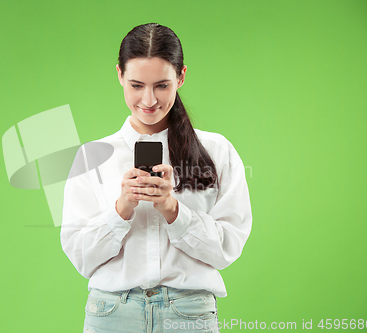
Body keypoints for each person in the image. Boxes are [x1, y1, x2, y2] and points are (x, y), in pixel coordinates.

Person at [61, 23, 252, 333]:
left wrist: (172, 210)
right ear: (120, 76)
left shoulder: (216, 151)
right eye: (136, 85)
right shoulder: (91, 157)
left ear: (181, 76)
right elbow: (81, 257)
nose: (148, 100)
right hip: (111, 313)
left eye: (162, 85)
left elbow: (227, 248)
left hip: (189, 313)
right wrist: (122, 208)